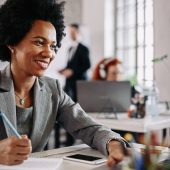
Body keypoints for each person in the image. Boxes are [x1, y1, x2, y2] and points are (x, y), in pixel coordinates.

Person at [0, 0, 129, 166]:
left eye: (53, 46)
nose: (49, 53)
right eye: (39, 42)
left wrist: (114, 144)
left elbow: (88, 128)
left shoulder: (53, 90)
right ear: (12, 43)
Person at [58, 23, 91, 147]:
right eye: (69, 32)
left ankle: (76, 139)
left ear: (78, 33)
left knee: (76, 113)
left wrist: (72, 71)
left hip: (79, 86)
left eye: (73, 32)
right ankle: (68, 140)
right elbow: (71, 66)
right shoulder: (70, 49)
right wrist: (64, 70)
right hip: (69, 84)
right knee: (67, 112)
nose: (70, 35)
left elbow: (87, 66)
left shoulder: (84, 48)